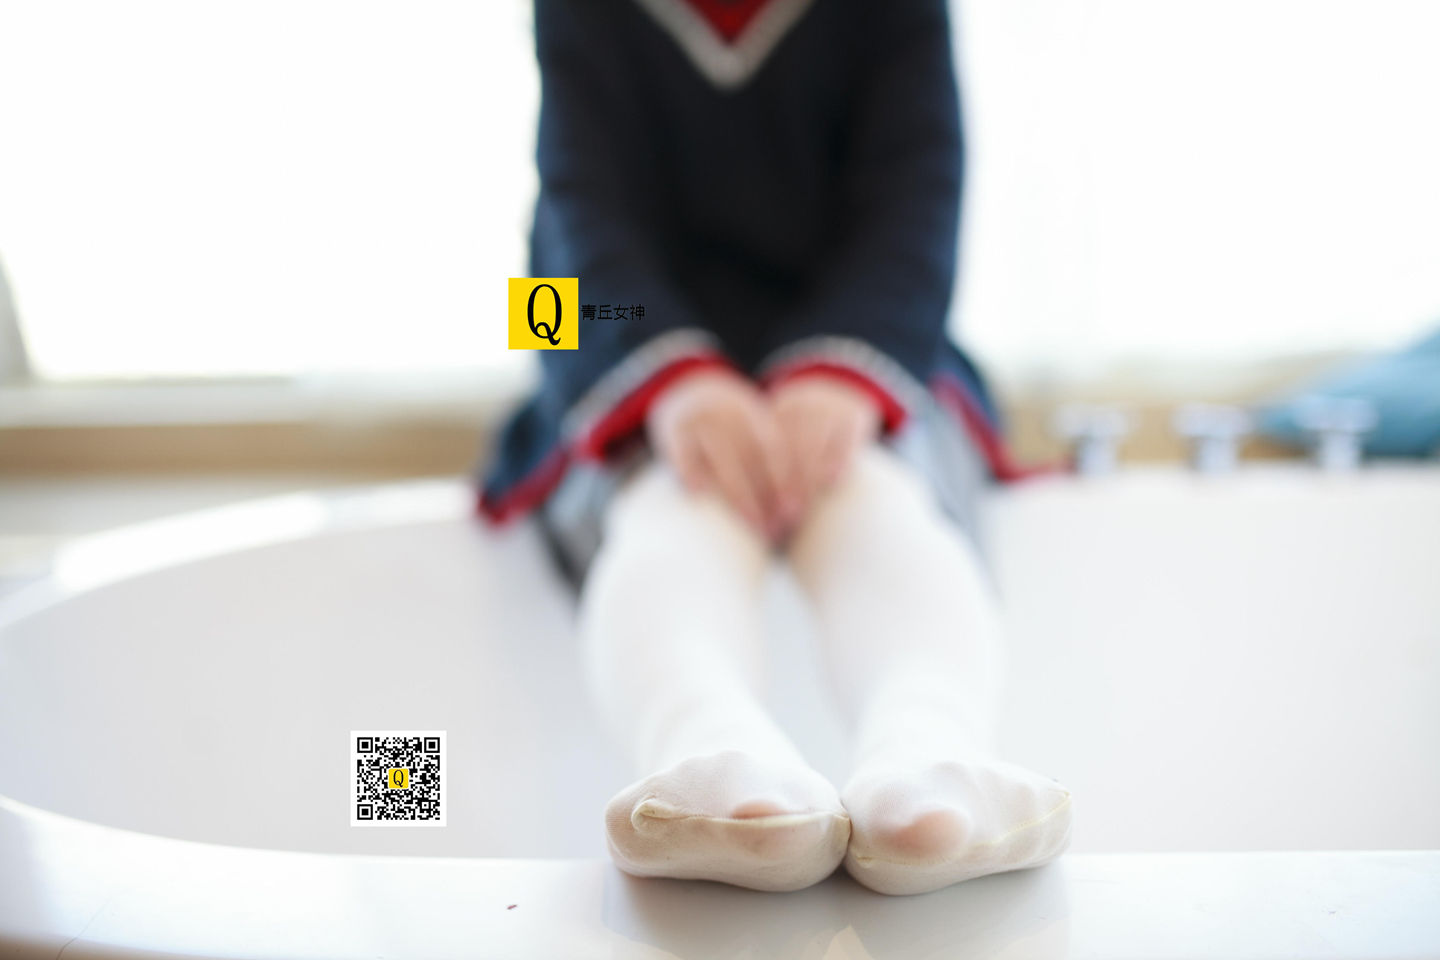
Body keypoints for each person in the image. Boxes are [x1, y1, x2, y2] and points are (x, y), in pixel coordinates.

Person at [479, 0, 1072, 895]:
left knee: (873, 500)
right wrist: (672, 379)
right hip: (626, 347)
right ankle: (704, 748)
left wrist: (841, 370)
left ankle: (931, 745)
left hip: (868, 343)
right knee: (674, 508)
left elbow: (919, 201)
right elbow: (574, 220)